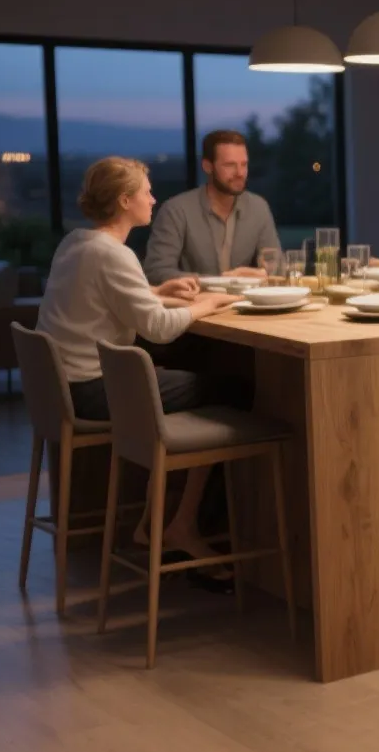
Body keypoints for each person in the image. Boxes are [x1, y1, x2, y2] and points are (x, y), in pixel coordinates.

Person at [36, 157, 241, 573]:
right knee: (231, 390)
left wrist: (157, 289)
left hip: (63, 388)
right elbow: (159, 329)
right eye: (146, 191)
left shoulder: (77, 243)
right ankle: (181, 526)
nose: (153, 197)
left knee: (206, 381)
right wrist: (205, 304)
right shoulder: (114, 254)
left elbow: (111, 295)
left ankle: (157, 521)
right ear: (125, 200)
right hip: (94, 390)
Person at [143, 130, 281, 284]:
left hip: (247, 304)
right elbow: (156, 272)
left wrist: (262, 273)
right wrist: (221, 281)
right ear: (208, 166)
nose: (240, 173)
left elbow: (276, 267)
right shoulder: (176, 210)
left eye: (244, 164)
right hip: (195, 304)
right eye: (230, 165)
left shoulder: (258, 207)